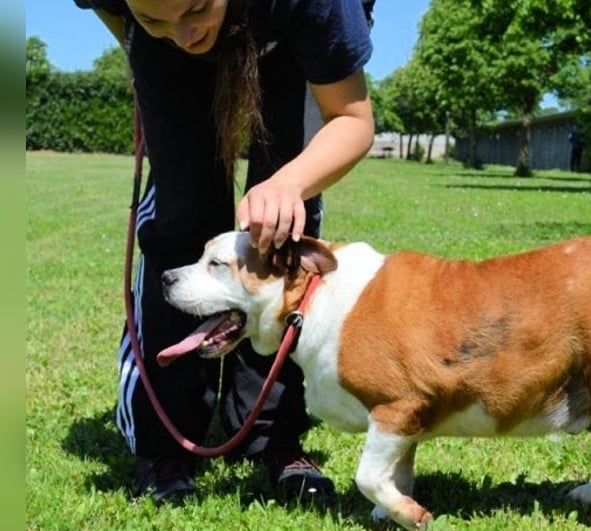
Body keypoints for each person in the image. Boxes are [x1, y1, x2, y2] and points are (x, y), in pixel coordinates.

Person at [74, 0, 375, 503]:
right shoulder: (166, 29)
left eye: (195, 7)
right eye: (155, 17)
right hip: (166, 61)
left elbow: (351, 117)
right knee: (181, 214)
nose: (185, 32)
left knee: (279, 226)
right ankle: (165, 444)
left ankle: (271, 436)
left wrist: (288, 183)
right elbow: (126, 17)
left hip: (288, 42)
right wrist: (141, 46)